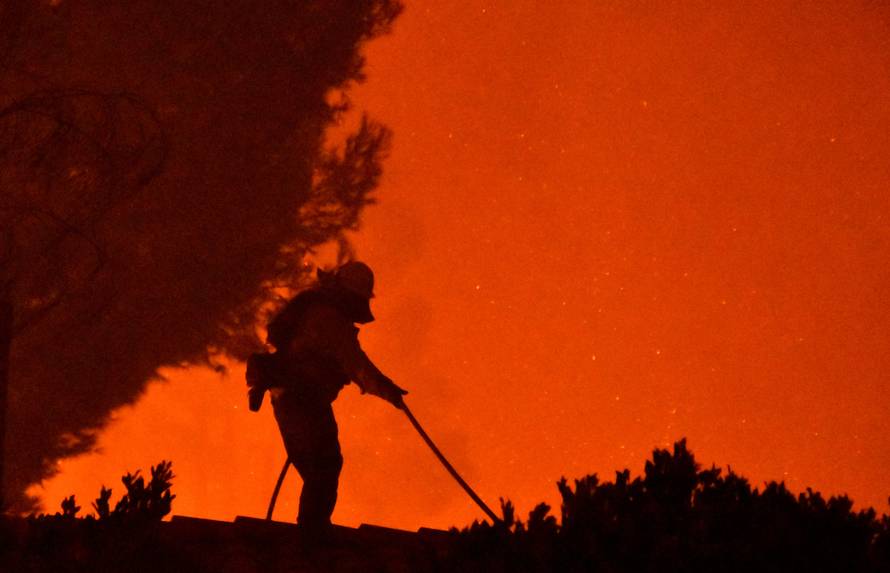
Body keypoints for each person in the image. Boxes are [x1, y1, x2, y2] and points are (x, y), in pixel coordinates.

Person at [246, 261, 407, 530]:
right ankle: (313, 534)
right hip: (302, 400)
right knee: (325, 464)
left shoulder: (315, 310)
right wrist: (388, 391)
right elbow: (356, 364)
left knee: (318, 465)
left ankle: (312, 529)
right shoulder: (330, 320)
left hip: (291, 398)